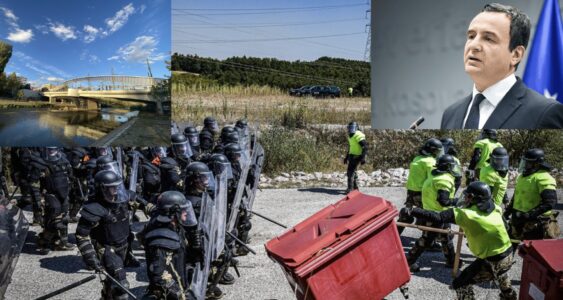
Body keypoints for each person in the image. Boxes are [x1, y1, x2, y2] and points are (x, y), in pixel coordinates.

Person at [441, 3, 563, 129]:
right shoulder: (450, 114)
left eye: (488, 38)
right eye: (471, 36)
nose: (473, 45)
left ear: (515, 55)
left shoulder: (546, 113)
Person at [407, 182, 517, 300]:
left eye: (468, 197)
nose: (465, 198)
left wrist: (413, 210)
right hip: (507, 253)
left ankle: (505, 290)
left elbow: (438, 217)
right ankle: (508, 293)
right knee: (501, 280)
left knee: (460, 284)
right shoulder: (494, 207)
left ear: (477, 200)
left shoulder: (467, 215)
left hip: (495, 260)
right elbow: (505, 227)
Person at [76, 170, 131, 299]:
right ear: (102, 189)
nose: (116, 190)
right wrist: (90, 256)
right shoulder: (94, 209)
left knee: (112, 280)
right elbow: (81, 235)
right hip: (107, 249)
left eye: (117, 186)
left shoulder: (121, 201)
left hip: (124, 246)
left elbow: (142, 202)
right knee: (122, 286)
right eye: (112, 188)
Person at [141, 191, 202, 300]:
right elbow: (159, 275)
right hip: (168, 293)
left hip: (179, 279)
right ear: (173, 214)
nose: (186, 213)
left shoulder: (174, 226)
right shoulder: (162, 240)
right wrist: (178, 294)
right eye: (183, 211)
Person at [406, 154, 458, 272]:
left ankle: (451, 260)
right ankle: (409, 261)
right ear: (447, 167)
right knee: (426, 239)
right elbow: (443, 201)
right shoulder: (444, 180)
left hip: (432, 210)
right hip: (437, 214)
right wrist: (458, 202)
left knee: (445, 237)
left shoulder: (434, 173)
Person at [504, 148, 560, 245]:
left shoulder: (544, 177)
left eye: (528, 163)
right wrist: (507, 213)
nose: (525, 165)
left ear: (537, 164)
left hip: (535, 223)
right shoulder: (522, 177)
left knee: (533, 252)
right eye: (524, 162)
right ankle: (506, 260)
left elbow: (550, 202)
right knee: (509, 244)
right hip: (518, 219)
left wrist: (530, 215)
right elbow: (516, 197)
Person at [31, 147, 74, 253]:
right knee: (53, 215)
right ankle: (44, 241)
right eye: (49, 149)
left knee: (64, 217)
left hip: (63, 192)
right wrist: (37, 199)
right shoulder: (40, 163)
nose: (51, 151)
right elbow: (34, 183)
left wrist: (73, 191)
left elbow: (71, 176)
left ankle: (63, 242)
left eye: (54, 148)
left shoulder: (64, 161)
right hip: (49, 193)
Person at [398, 138, 443, 234]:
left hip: (411, 191)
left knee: (406, 215)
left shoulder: (417, 158)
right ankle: (427, 241)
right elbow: (432, 179)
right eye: (437, 151)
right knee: (427, 216)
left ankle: (395, 235)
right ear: (432, 150)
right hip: (422, 193)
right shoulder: (430, 162)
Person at [343, 121, 367, 194]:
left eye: (352, 127)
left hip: (357, 156)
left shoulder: (358, 135)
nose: (351, 129)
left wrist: (363, 158)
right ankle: (355, 188)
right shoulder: (350, 136)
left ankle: (350, 189)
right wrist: (346, 157)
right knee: (353, 172)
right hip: (352, 155)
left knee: (350, 172)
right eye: (350, 128)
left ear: (356, 128)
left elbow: (365, 147)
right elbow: (351, 147)